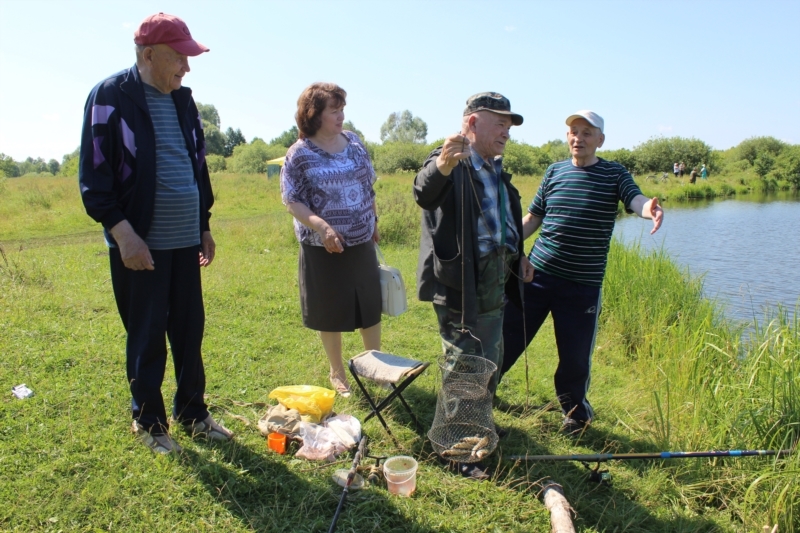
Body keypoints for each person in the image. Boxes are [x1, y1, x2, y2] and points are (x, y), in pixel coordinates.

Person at [79, 13, 232, 454]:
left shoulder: (184, 101)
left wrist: (203, 224)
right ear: (148, 54)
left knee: (189, 331)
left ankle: (193, 413)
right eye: (179, 57)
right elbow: (95, 175)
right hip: (140, 242)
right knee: (146, 335)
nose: (186, 67)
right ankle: (148, 422)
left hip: (186, 240)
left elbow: (197, 165)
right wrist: (123, 234)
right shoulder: (109, 96)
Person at [501, 110, 663, 435]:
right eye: (574, 132)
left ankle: (576, 415)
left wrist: (650, 209)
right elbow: (533, 218)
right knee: (506, 340)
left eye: (587, 133)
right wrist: (507, 241)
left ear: (600, 140)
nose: (579, 138)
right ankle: (480, 394)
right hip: (536, 276)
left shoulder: (615, 174)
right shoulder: (554, 172)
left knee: (574, 359)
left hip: (582, 287)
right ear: (567, 138)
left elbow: (635, 200)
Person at [413, 92, 534, 479]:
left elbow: (505, 220)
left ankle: (477, 423)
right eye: (498, 123)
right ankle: (457, 450)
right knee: (464, 360)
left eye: (508, 125)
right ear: (471, 123)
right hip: (461, 282)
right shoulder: (450, 159)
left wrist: (521, 254)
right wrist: (444, 164)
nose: (506, 132)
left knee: (491, 356)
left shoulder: (495, 168)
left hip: (496, 278)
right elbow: (424, 190)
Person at [280, 83, 381, 398]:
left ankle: (373, 365)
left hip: (361, 238)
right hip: (321, 245)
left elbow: (368, 186)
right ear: (314, 115)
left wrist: (374, 220)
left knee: (369, 303)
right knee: (330, 306)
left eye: (342, 109)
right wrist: (322, 227)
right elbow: (291, 199)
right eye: (333, 110)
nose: (341, 116)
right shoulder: (300, 154)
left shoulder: (354, 143)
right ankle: (337, 371)